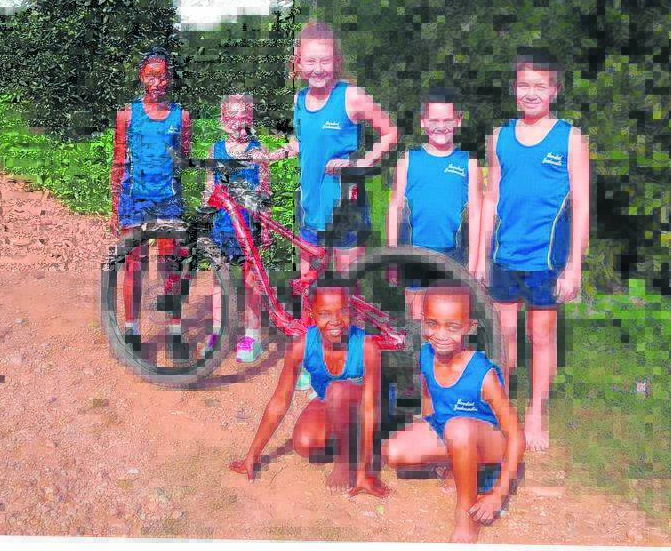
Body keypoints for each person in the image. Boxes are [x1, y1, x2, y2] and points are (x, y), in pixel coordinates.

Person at [476, 48, 591, 452]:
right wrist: (480, 256)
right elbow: (491, 198)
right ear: (514, 88)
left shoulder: (570, 138)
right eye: (524, 84)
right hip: (504, 253)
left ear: (554, 90)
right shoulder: (500, 137)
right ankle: (502, 407)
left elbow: (581, 204)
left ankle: (536, 412)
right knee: (503, 333)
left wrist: (574, 266)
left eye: (539, 86)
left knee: (540, 335)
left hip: (546, 256)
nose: (531, 92)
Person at [383, 282, 524, 543]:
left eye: (452, 327)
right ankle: (457, 464)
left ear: (469, 327)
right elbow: (429, 397)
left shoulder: (483, 373)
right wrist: (425, 430)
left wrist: (499, 494)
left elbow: (516, 436)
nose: (440, 334)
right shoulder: (426, 355)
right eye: (432, 324)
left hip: (489, 441)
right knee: (393, 451)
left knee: (458, 428)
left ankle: (466, 514)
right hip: (452, 431)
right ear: (423, 320)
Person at [230, 280, 387, 496]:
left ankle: (345, 462)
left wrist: (364, 471)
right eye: (324, 313)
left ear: (351, 311)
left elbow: (370, 408)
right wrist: (253, 454)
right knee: (305, 443)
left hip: (367, 408)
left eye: (342, 312)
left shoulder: (367, 347)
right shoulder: (301, 347)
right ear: (312, 314)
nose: (335, 321)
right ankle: (349, 441)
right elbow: (280, 401)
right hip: (331, 403)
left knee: (337, 391)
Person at [274, 20, 399, 276]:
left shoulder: (351, 96)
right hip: (310, 204)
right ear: (299, 64)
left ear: (336, 61)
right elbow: (305, 142)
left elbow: (390, 132)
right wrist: (279, 152)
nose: (318, 68)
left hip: (345, 205)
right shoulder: (299, 100)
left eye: (325, 61)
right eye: (310, 61)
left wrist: (361, 164)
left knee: (345, 286)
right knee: (309, 285)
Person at [108, 47, 192, 363]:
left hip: (168, 200)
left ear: (170, 78)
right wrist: (115, 206)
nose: (157, 82)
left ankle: (174, 332)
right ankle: (131, 331)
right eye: (151, 75)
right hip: (135, 199)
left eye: (163, 75)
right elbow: (118, 160)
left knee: (170, 266)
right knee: (134, 265)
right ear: (141, 76)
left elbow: (183, 158)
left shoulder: (182, 117)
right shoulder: (127, 115)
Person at [386, 86, 482, 319]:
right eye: (434, 120)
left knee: (447, 318)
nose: (441, 126)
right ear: (423, 122)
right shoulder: (408, 160)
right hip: (414, 253)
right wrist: (391, 254)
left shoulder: (468, 162)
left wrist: (474, 263)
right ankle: (416, 344)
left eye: (447, 120)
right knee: (416, 317)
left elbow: (477, 214)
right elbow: (395, 207)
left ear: (458, 121)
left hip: (452, 254)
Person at [203, 94, 272, 362]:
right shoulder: (214, 150)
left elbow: (264, 190)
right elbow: (209, 188)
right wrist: (205, 220)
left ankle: (252, 335)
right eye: (233, 117)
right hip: (222, 223)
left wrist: (265, 225)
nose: (238, 123)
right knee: (219, 280)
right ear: (223, 119)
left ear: (251, 119)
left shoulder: (259, 148)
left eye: (244, 117)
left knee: (251, 280)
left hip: (249, 222)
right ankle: (218, 331)